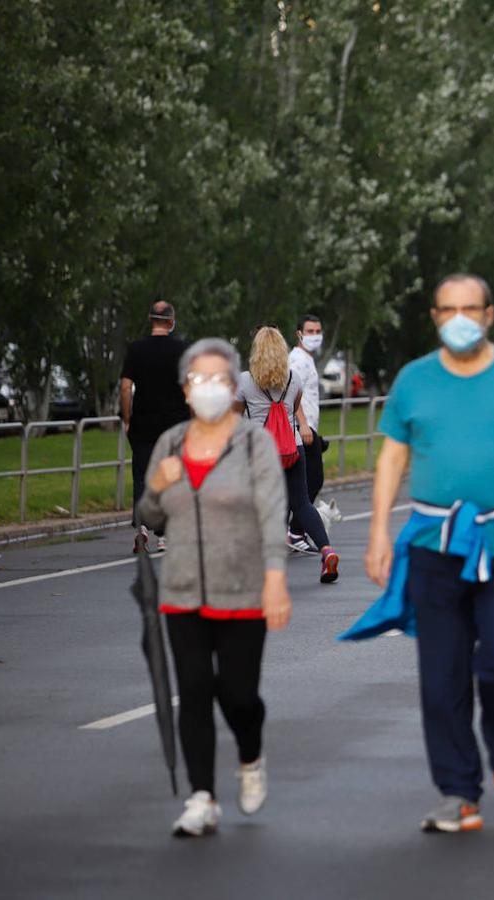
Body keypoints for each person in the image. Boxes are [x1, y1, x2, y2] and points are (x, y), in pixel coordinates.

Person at [361, 274, 494, 832]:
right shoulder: (414, 380)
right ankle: (458, 791)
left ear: (489, 314)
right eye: (448, 308)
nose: (460, 317)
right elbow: (391, 460)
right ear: (434, 317)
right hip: (434, 547)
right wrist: (379, 531)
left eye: (470, 308)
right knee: (441, 674)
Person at [136, 338, 292, 838]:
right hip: (182, 592)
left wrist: (274, 578)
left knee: (239, 695)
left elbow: (273, 514)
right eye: (199, 380)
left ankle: (250, 755)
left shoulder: (253, 444)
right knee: (195, 691)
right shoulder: (170, 444)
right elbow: (149, 516)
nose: (209, 389)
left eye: (219, 380)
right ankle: (201, 796)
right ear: (186, 390)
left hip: (243, 590)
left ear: (233, 387)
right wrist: (157, 486)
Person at [235, 327, 340, 583]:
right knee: (302, 503)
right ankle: (326, 551)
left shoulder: (245, 381)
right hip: (292, 449)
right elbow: (293, 409)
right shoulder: (293, 379)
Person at [120, 301, 190, 554]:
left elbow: (126, 387)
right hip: (175, 424)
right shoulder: (182, 350)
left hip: (143, 424)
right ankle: (164, 534)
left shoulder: (135, 350)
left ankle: (141, 529)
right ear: (171, 321)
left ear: (151, 320)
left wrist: (127, 418)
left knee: (142, 477)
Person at [286, 314, 325, 552]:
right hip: (303, 429)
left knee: (308, 482)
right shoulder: (297, 360)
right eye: (310, 331)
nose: (315, 336)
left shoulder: (306, 359)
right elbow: (292, 392)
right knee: (312, 480)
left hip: (310, 428)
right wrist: (303, 424)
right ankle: (295, 531)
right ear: (299, 334)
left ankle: (294, 530)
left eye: (317, 331)